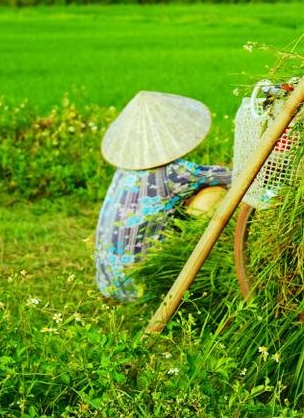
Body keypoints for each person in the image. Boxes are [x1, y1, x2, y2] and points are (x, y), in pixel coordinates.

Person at [93, 90, 231, 302]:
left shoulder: (124, 171)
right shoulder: (176, 172)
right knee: (215, 194)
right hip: (145, 286)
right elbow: (234, 177)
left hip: (109, 283)